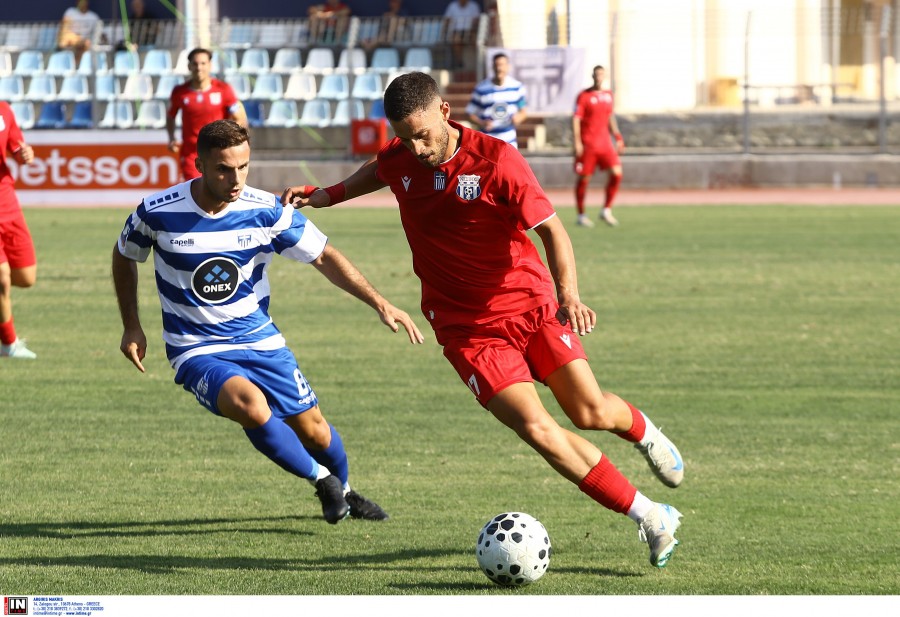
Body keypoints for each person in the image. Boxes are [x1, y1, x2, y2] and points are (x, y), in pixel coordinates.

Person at [281, 72, 685, 567]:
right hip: (467, 329)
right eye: (405, 137)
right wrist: (325, 195)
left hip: (531, 305)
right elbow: (379, 170)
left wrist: (570, 295)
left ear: (445, 112)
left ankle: (644, 432)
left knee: (590, 413)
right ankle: (650, 515)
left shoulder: (497, 161)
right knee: (537, 429)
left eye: (423, 134)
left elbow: (553, 231)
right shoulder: (401, 155)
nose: (416, 147)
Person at [112, 119, 424, 524]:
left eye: (243, 167)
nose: (235, 178)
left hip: (260, 339)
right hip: (195, 347)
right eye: (224, 168)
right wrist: (131, 324)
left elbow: (325, 256)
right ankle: (322, 479)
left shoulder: (266, 211)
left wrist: (379, 301)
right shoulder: (158, 212)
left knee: (315, 430)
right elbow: (125, 255)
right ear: (200, 164)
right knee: (251, 406)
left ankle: (343, 490)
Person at [166, 48, 248, 182]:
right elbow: (170, 115)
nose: (199, 67)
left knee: (221, 191)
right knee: (195, 190)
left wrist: (235, 142)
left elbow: (239, 117)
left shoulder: (223, 89)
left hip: (219, 150)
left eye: (203, 63)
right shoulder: (179, 92)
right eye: (195, 63)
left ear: (210, 65)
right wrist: (171, 137)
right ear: (189, 66)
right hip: (192, 153)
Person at [0, 102, 37, 360]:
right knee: (2, 279)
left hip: (7, 203)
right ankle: (9, 343)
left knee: (25, 277)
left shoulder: (4, 109)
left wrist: (25, 154)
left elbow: (16, 147)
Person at [573, 65, 625, 228]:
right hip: (588, 144)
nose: (598, 77)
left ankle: (606, 210)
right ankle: (581, 214)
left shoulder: (608, 95)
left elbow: (610, 116)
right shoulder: (583, 96)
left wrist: (617, 136)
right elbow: (576, 119)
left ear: (605, 76)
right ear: (592, 76)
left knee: (617, 174)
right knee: (584, 178)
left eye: (601, 75)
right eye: (596, 75)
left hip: (605, 144)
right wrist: (577, 142)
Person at [466, 52, 527, 148]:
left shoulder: (517, 87)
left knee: (510, 163)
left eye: (502, 65)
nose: (499, 68)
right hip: (488, 141)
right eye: (496, 65)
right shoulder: (481, 89)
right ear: (492, 67)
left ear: (508, 67)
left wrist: (517, 118)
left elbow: (523, 112)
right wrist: (482, 123)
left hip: (509, 141)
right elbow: (469, 114)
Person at [57, 0, 101, 65]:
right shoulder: (70, 12)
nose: (81, 3)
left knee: (85, 44)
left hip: (85, 43)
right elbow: (64, 29)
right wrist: (75, 39)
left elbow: (97, 35)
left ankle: (78, 66)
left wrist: (85, 42)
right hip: (71, 41)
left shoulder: (94, 17)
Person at [443, 0, 482, 69]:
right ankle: (459, 63)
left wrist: (473, 29)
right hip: (456, 31)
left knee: (476, 41)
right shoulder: (452, 6)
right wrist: (444, 32)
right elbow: (447, 19)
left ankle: (480, 62)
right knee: (456, 41)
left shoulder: (473, 6)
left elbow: (477, 20)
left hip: (470, 31)